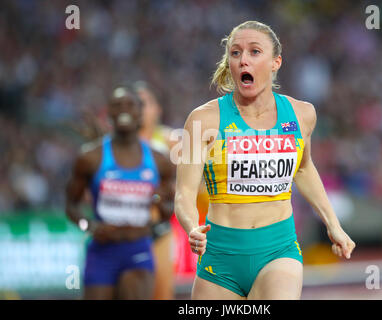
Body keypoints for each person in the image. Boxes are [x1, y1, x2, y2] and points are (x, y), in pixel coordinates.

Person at [174, 21, 356, 300]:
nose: (243, 59)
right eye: (235, 53)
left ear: (275, 62)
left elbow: (304, 168)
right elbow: (184, 193)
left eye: (254, 51)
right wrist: (191, 227)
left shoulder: (301, 114)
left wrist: (333, 224)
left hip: (277, 249)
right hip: (221, 257)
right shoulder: (203, 120)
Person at [65, 85, 174, 299]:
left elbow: (169, 209)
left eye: (130, 105)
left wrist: (159, 204)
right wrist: (89, 225)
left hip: (138, 248)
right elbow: (71, 205)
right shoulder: (90, 157)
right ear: (109, 113)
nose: (123, 109)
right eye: (117, 105)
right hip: (102, 251)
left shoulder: (159, 159)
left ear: (140, 113)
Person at [134, 81, 177, 299]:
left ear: (157, 109)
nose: (140, 108)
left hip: (160, 230)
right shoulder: (117, 144)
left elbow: (197, 182)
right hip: (127, 230)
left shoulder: (171, 140)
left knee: (162, 294)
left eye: (145, 102)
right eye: (136, 103)